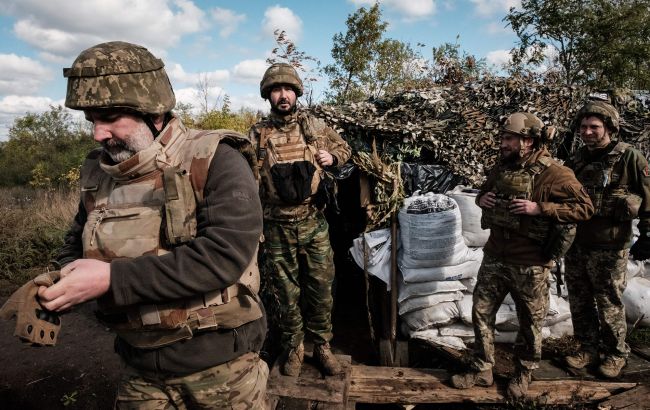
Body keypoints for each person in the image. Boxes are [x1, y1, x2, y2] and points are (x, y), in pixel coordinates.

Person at [37, 41, 267, 408]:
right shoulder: (99, 173)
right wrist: (59, 282)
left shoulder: (216, 159)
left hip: (223, 371)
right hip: (139, 368)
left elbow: (222, 257)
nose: (99, 133)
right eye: (92, 120)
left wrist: (111, 279)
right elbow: (76, 243)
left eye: (111, 118)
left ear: (155, 114)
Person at [450, 113, 594, 398]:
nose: (502, 143)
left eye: (508, 138)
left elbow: (585, 208)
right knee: (481, 313)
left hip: (531, 263)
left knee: (530, 322)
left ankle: (523, 372)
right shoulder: (502, 167)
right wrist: (482, 199)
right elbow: (484, 193)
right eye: (502, 137)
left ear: (527, 141)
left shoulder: (555, 173)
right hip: (494, 255)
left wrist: (540, 208)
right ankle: (482, 368)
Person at [249, 63, 351, 376]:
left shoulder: (315, 127)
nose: (283, 95)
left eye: (288, 89)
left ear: (296, 93)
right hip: (277, 226)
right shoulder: (258, 133)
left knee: (321, 287)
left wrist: (331, 158)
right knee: (284, 292)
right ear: (268, 95)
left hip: (312, 222)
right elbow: (246, 179)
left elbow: (345, 149)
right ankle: (293, 348)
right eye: (277, 89)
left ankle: (321, 346)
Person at [563, 100, 650, 378]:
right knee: (579, 299)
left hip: (611, 245)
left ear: (609, 127)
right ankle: (587, 347)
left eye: (594, 127)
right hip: (577, 242)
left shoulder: (629, 158)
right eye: (584, 127)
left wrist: (648, 232)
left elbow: (648, 196)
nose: (587, 132)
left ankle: (616, 353)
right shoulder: (576, 160)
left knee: (609, 301)